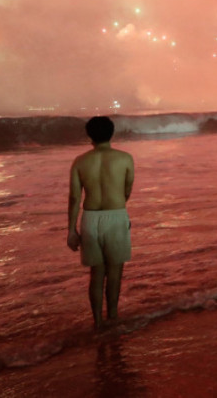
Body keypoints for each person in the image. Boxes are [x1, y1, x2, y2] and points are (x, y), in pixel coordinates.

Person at [67, 116, 134, 329]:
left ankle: (97, 323)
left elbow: (75, 198)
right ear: (111, 133)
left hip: (90, 218)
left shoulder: (80, 161)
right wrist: (119, 213)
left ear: (90, 135)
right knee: (114, 274)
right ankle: (113, 318)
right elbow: (126, 191)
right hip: (116, 216)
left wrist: (71, 230)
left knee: (96, 275)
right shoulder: (125, 158)